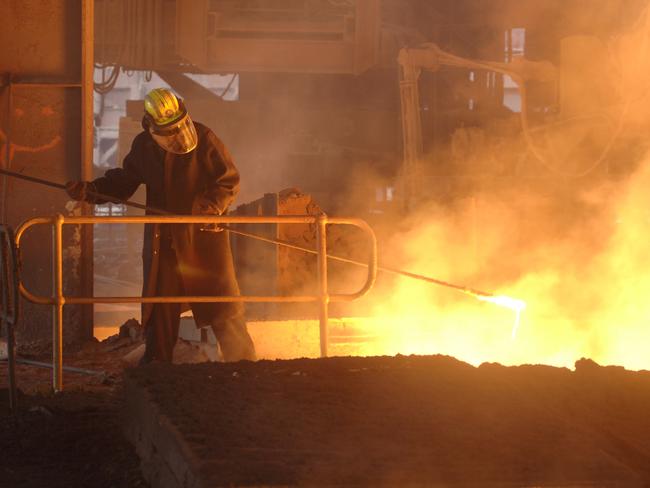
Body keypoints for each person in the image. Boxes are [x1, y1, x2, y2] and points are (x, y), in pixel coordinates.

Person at [66, 88, 256, 363]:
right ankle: (157, 370)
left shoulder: (204, 139)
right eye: (168, 131)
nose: (176, 136)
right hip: (163, 243)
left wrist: (210, 206)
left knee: (221, 303)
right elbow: (122, 182)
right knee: (161, 309)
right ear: (151, 125)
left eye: (179, 127)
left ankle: (245, 367)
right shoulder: (144, 147)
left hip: (201, 239)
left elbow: (228, 180)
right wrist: (90, 190)